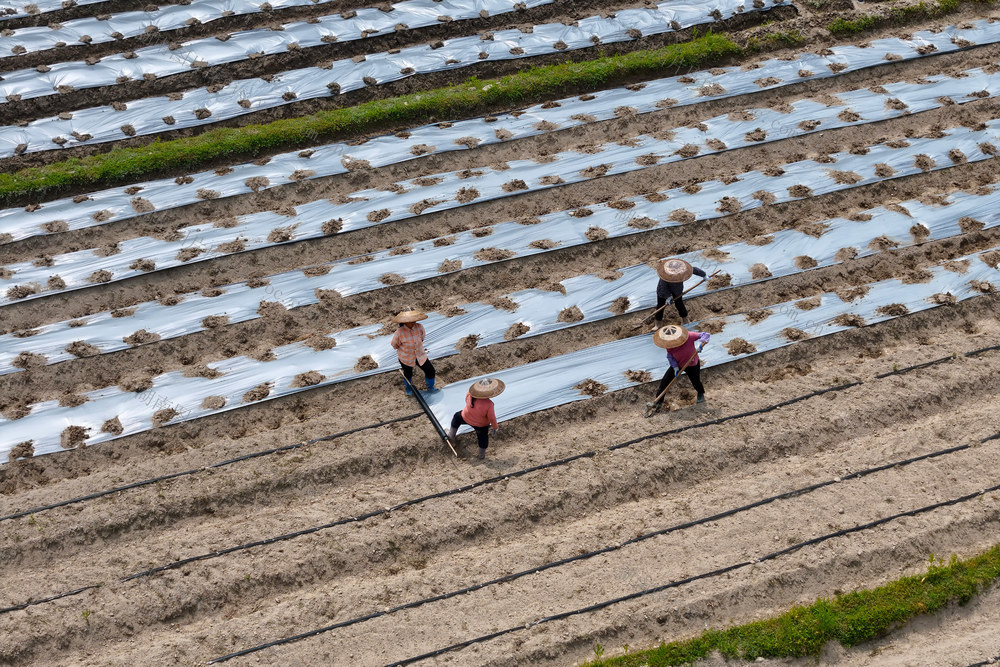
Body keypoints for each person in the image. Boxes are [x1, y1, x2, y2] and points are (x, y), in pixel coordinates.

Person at [648, 324, 709, 410]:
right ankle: (658, 401)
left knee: (695, 381)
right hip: (678, 364)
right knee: (665, 381)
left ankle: (700, 393)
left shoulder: (689, 336)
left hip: (692, 364)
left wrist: (700, 344)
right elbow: (670, 356)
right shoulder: (669, 343)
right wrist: (675, 367)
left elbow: (705, 335)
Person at [447, 378, 504, 460]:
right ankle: (481, 455)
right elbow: (492, 418)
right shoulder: (489, 404)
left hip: (466, 417)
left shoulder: (469, 394)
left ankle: (451, 437)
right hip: (480, 425)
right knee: (483, 439)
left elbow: (466, 401)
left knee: (456, 417)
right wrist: (495, 427)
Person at [390, 308, 436, 395]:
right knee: (408, 374)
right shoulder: (399, 332)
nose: (412, 322)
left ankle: (430, 387)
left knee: (430, 370)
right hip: (406, 357)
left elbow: (422, 338)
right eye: (410, 321)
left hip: (420, 355)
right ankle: (409, 389)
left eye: (413, 320)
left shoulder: (419, 327)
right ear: (404, 321)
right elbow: (394, 345)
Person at [654, 258, 707, 327]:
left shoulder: (682, 271)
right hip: (663, 292)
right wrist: (668, 297)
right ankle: (658, 324)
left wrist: (704, 275)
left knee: (679, 304)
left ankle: (685, 319)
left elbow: (693, 270)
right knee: (660, 306)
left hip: (677, 290)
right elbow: (663, 288)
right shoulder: (665, 275)